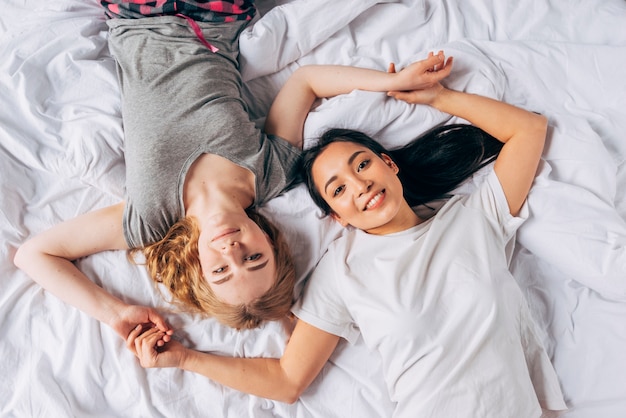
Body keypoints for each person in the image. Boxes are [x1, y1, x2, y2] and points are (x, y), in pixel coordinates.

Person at [127, 52, 568, 417]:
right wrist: (184, 358)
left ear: (388, 164)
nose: (360, 186)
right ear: (337, 217)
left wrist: (439, 96)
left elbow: (528, 129)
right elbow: (287, 380)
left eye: (362, 164)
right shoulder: (343, 271)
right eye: (338, 189)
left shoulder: (474, 219)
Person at [13, 0, 453, 343]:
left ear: (199, 265)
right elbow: (307, 82)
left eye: (221, 270)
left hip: (137, 16)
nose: (231, 250)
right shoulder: (271, 173)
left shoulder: (152, 218)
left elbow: (35, 255)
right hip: (214, 18)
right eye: (253, 258)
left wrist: (116, 314)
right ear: (270, 240)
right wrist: (391, 82)